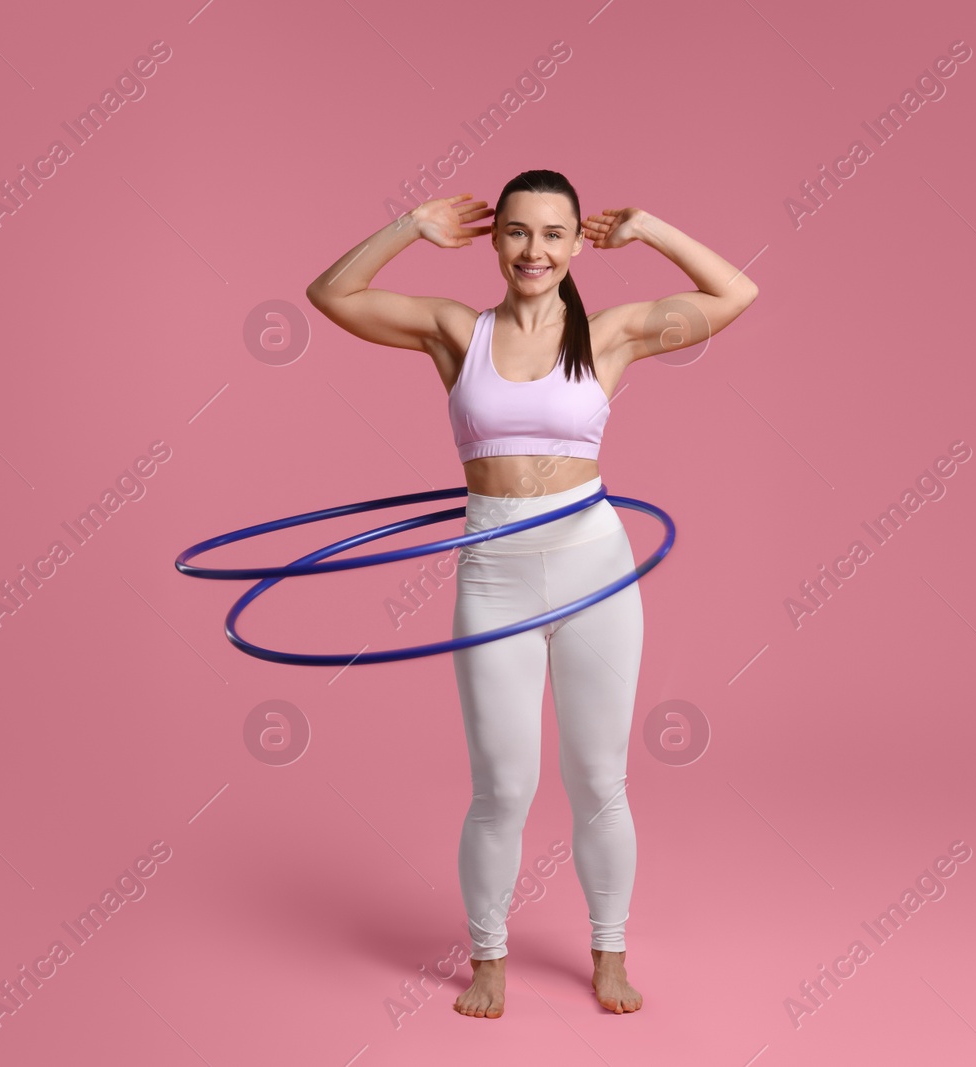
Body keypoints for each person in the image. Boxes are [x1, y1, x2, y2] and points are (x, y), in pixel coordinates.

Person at [305, 170, 758, 1017]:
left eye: (554, 234)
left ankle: (609, 952)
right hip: (494, 578)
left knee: (598, 779)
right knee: (502, 786)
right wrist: (408, 223)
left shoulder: (615, 336)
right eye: (516, 232)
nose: (534, 250)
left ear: (579, 243)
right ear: (494, 242)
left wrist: (652, 226)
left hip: (593, 569)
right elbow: (331, 294)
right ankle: (488, 959)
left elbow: (736, 292)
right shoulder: (454, 332)